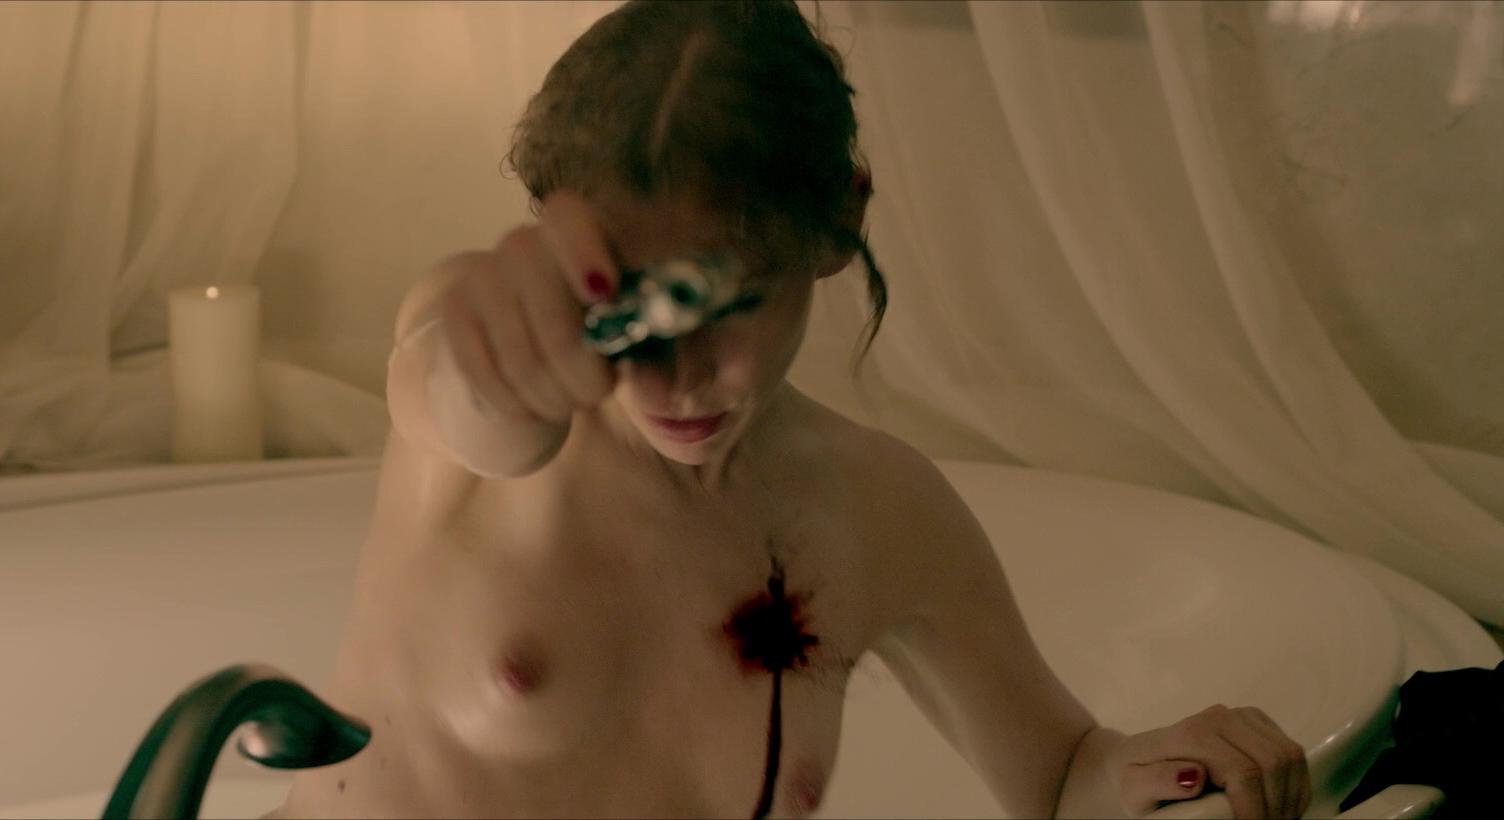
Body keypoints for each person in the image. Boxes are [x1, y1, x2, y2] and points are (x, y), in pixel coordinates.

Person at [268, 2, 1308, 819]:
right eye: (631, 309)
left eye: (729, 303)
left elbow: (1059, 779)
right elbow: (464, 389)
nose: (676, 379)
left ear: (837, 223)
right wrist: (502, 359)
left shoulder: (880, 506)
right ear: (552, 240)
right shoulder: (472, 363)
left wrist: (1155, 766)